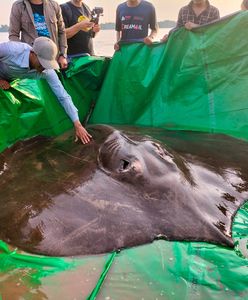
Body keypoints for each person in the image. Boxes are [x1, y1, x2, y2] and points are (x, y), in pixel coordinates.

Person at [0, 37, 92, 144]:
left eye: (47, 64)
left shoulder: (47, 71)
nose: (44, 67)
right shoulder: (11, 50)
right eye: (42, 62)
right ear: (33, 53)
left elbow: (63, 96)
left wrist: (77, 124)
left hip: (10, 79)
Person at [9, 0, 68, 69]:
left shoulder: (54, 5)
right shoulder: (18, 6)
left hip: (52, 60)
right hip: (32, 62)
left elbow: (62, 32)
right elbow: (13, 35)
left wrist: (63, 55)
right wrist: (24, 56)